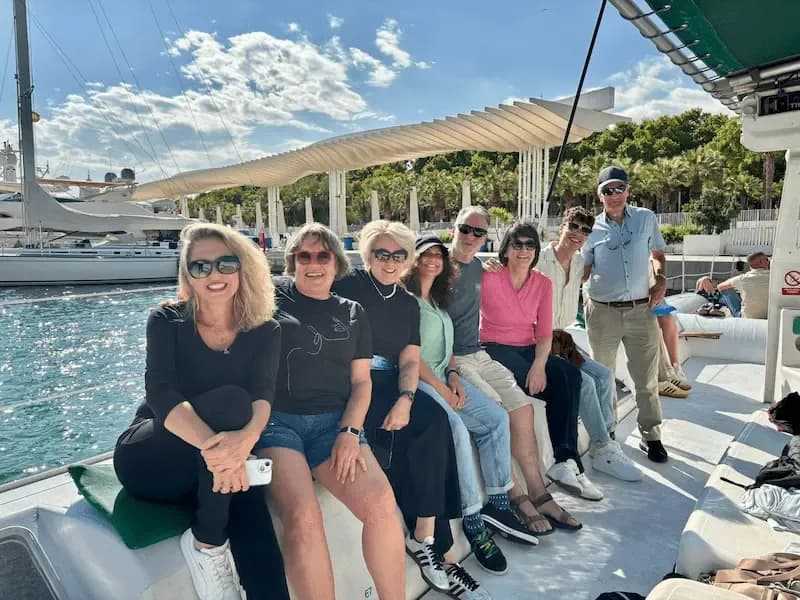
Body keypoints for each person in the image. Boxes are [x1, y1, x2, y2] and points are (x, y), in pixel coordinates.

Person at [114, 223, 289, 600]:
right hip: (152, 459)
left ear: (242, 268)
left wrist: (243, 443)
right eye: (200, 266)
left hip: (213, 469)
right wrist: (220, 450)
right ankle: (208, 542)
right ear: (187, 275)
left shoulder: (266, 330)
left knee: (253, 517)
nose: (214, 274)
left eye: (226, 263)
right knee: (232, 403)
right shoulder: (167, 321)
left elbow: (264, 395)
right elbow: (160, 394)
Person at [333, 220, 489, 599]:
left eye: (397, 255)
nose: (389, 262)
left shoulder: (406, 302)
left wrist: (406, 398)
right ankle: (440, 555)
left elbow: (409, 358)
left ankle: (426, 537)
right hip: (350, 383)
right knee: (400, 446)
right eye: (381, 254)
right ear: (368, 255)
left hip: (390, 381)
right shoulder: (347, 286)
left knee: (435, 423)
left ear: (406, 259)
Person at [255, 223, 405, 600]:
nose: (314, 263)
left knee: (382, 505)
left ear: (336, 263)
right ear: (293, 262)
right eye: (304, 255)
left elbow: (362, 383)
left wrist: (350, 432)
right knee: (303, 515)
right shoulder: (268, 299)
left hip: (333, 425)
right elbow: (220, 295)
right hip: (276, 424)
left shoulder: (353, 312)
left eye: (323, 255)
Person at [404, 234, 542, 578]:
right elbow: (410, 357)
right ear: (414, 261)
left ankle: (498, 502)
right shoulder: (407, 303)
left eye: (438, 255)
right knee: (458, 434)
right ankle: (473, 521)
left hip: (444, 378)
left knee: (496, 418)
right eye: (425, 255)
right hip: (420, 384)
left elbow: (447, 349)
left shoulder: (438, 301)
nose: (432, 260)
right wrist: (441, 387)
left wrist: (452, 375)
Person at [447, 207, 583, 532]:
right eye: (465, 229)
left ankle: (539, 490)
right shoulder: (447, 268)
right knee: (497, 413)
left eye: (479, 232)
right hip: (465, 356)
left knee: (524, 408)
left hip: (480, 354)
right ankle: (514, 495)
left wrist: (539, 365)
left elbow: (544, 332)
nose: (471, 236)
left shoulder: (479, 269)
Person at [480, 219, 604, 501]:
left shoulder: (542, 283)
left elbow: (545, 333)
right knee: (546, 382)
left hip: (529, 347)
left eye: (530, 245)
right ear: (506, 249)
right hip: (493, 348)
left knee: (570, 375)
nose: (524, 250)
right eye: (517, 244)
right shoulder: (489, 277)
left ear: (536, 251)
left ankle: (565, 461)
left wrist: (539, 365)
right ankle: (567, 463)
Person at [537, 207, 642, 482]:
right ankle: (603, 447)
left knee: (605, 375)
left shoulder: (579, 262)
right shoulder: (539, 259)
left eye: (585, 230)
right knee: (583, 381)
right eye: (574, 226)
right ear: (562, 226)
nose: (578, 234)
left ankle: (605, 444)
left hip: (562, 340)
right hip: (537, 340)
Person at [582, 166, 668, 463]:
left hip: (642, 310)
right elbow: (582, 270)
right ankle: (607, 433)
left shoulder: (646, 218)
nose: (614, 195)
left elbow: (658, 254)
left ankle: (651, 435)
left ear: (628, 191)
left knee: (646, 379)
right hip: (602, 312)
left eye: (619, 188)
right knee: (603, 377)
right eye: (608, 190)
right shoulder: (590, 228)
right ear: (600, 196)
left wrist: (661, 278)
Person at [717, 251, 771, 319]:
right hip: (768, 317)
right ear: (761, 262)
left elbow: (720, 287)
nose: (769, 262)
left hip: (747, 317)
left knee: (726, 290)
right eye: (767, 260)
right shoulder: (773, 277)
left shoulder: (743, 278)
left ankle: (719, 306)